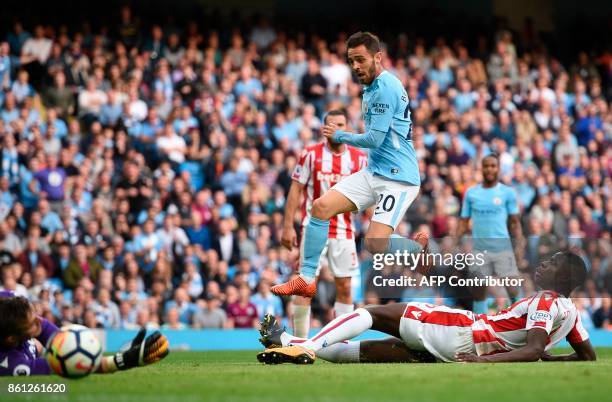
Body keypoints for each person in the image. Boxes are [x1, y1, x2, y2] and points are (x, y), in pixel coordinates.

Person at [272, 32, 423, 299]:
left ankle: (416, 250)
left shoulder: (386, 87)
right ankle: (306, 278)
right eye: (351, 61)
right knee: (320, 207)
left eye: (360, 60)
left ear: (378, 57)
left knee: (375, 244)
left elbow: (374, 139)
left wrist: (339, 136)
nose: (355, 66)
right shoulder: (371, 87)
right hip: (374, 171)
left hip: (398, 178)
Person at [258, 251, 596, 364]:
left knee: (374, 314)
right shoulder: (572, 313)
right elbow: (587, 357)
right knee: (372, 351)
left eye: (551, 264)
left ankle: (305, 347)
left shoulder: (546, 300)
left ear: (563, 276)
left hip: (464, 331)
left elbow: (534, 347)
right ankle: (288, 343)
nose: (542, 266)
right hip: (456, 347)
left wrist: (485, 360)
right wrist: (550, 358)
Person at [281, 109, 367, 337]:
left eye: (341, 124)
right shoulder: (310, 155)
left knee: (345, 287)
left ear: (347, 128)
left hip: (344, 231)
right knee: (305, 286)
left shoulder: (359, 158)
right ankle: (300, 343)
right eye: (332, 125)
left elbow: (367, 193)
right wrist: (288, 226)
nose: (337, 129)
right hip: (313, 229)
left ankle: (339, 343)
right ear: (324, 129)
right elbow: (295, 190)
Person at [0, 292, 169, 376]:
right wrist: (121, 361)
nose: (40, 322)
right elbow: (70, 363)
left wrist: (121, 360)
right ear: (11, 338)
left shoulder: (8, 303)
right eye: (32, 323)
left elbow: (67, 350)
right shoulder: (13, 365)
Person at [457, 154, 524, 313]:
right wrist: (455, 242)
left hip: (503, 249)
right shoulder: (471, 193)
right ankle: (481, 328)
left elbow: (514, 222)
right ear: (481, 168)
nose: (489, 169)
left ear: (498, 168)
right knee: (479, 293)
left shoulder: (507, 192)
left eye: (493, 166)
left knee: (513, 290)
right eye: (486, 166)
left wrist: (520, 244)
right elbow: (463, 222)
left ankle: (523, 322)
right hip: (479, 251)